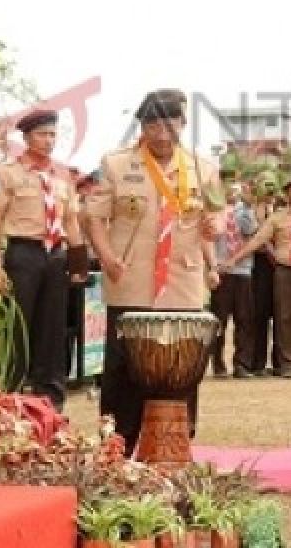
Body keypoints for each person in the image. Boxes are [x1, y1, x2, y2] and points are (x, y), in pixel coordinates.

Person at [85, 89, 224, 453]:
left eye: (170, 123)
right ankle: (117, 447)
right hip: (130, 279)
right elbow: (94, 219)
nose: (162, 133)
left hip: (183, 281)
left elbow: (218, 213)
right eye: (152, 124)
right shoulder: (115, 165)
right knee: (123, 370)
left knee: (182, 366)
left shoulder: (203, 168)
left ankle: (176, 445)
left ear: (183, 123)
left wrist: (216, 226)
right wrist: (107, 258)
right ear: (142, 126)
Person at [0, 110, 88, 411]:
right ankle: (10, 394)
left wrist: (79, 263)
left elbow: (71, 222)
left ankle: (51, 399)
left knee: (53, 328)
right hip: (23, 253)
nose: (49, 141)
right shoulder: (7, 174)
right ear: (27, 137)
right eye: (42, 134)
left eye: (53, 135)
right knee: (18, 325)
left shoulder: (63, 176)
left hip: (55, 256)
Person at [223, 176, 291, 377]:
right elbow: (258, 239)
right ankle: (287, 364)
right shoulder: (277, 217)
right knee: (284, 317)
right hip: (284, 271)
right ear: (287, 195)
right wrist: (235, 258)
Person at [209, 175, 258, 379]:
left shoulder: (244, 211)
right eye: (226, 186)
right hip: (221, 271)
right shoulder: (213, 211)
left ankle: (241, 364)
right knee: (218, 321)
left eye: (234, 188)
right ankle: (218, 364)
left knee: (244, 319)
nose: (231, 191)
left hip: (242, 271)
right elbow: (208, 239)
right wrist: (211, 266)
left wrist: (247, 207)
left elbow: (251, 230)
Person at [249, 173, 281, 376]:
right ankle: (257, 363)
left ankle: (279, 362)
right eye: (265, 186)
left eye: (272, 186)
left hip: (280, 268)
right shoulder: (249, 212)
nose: (269, 191)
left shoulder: (280, 211)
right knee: (259, 315)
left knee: (280, 315)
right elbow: (253, 239)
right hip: (257, 267)